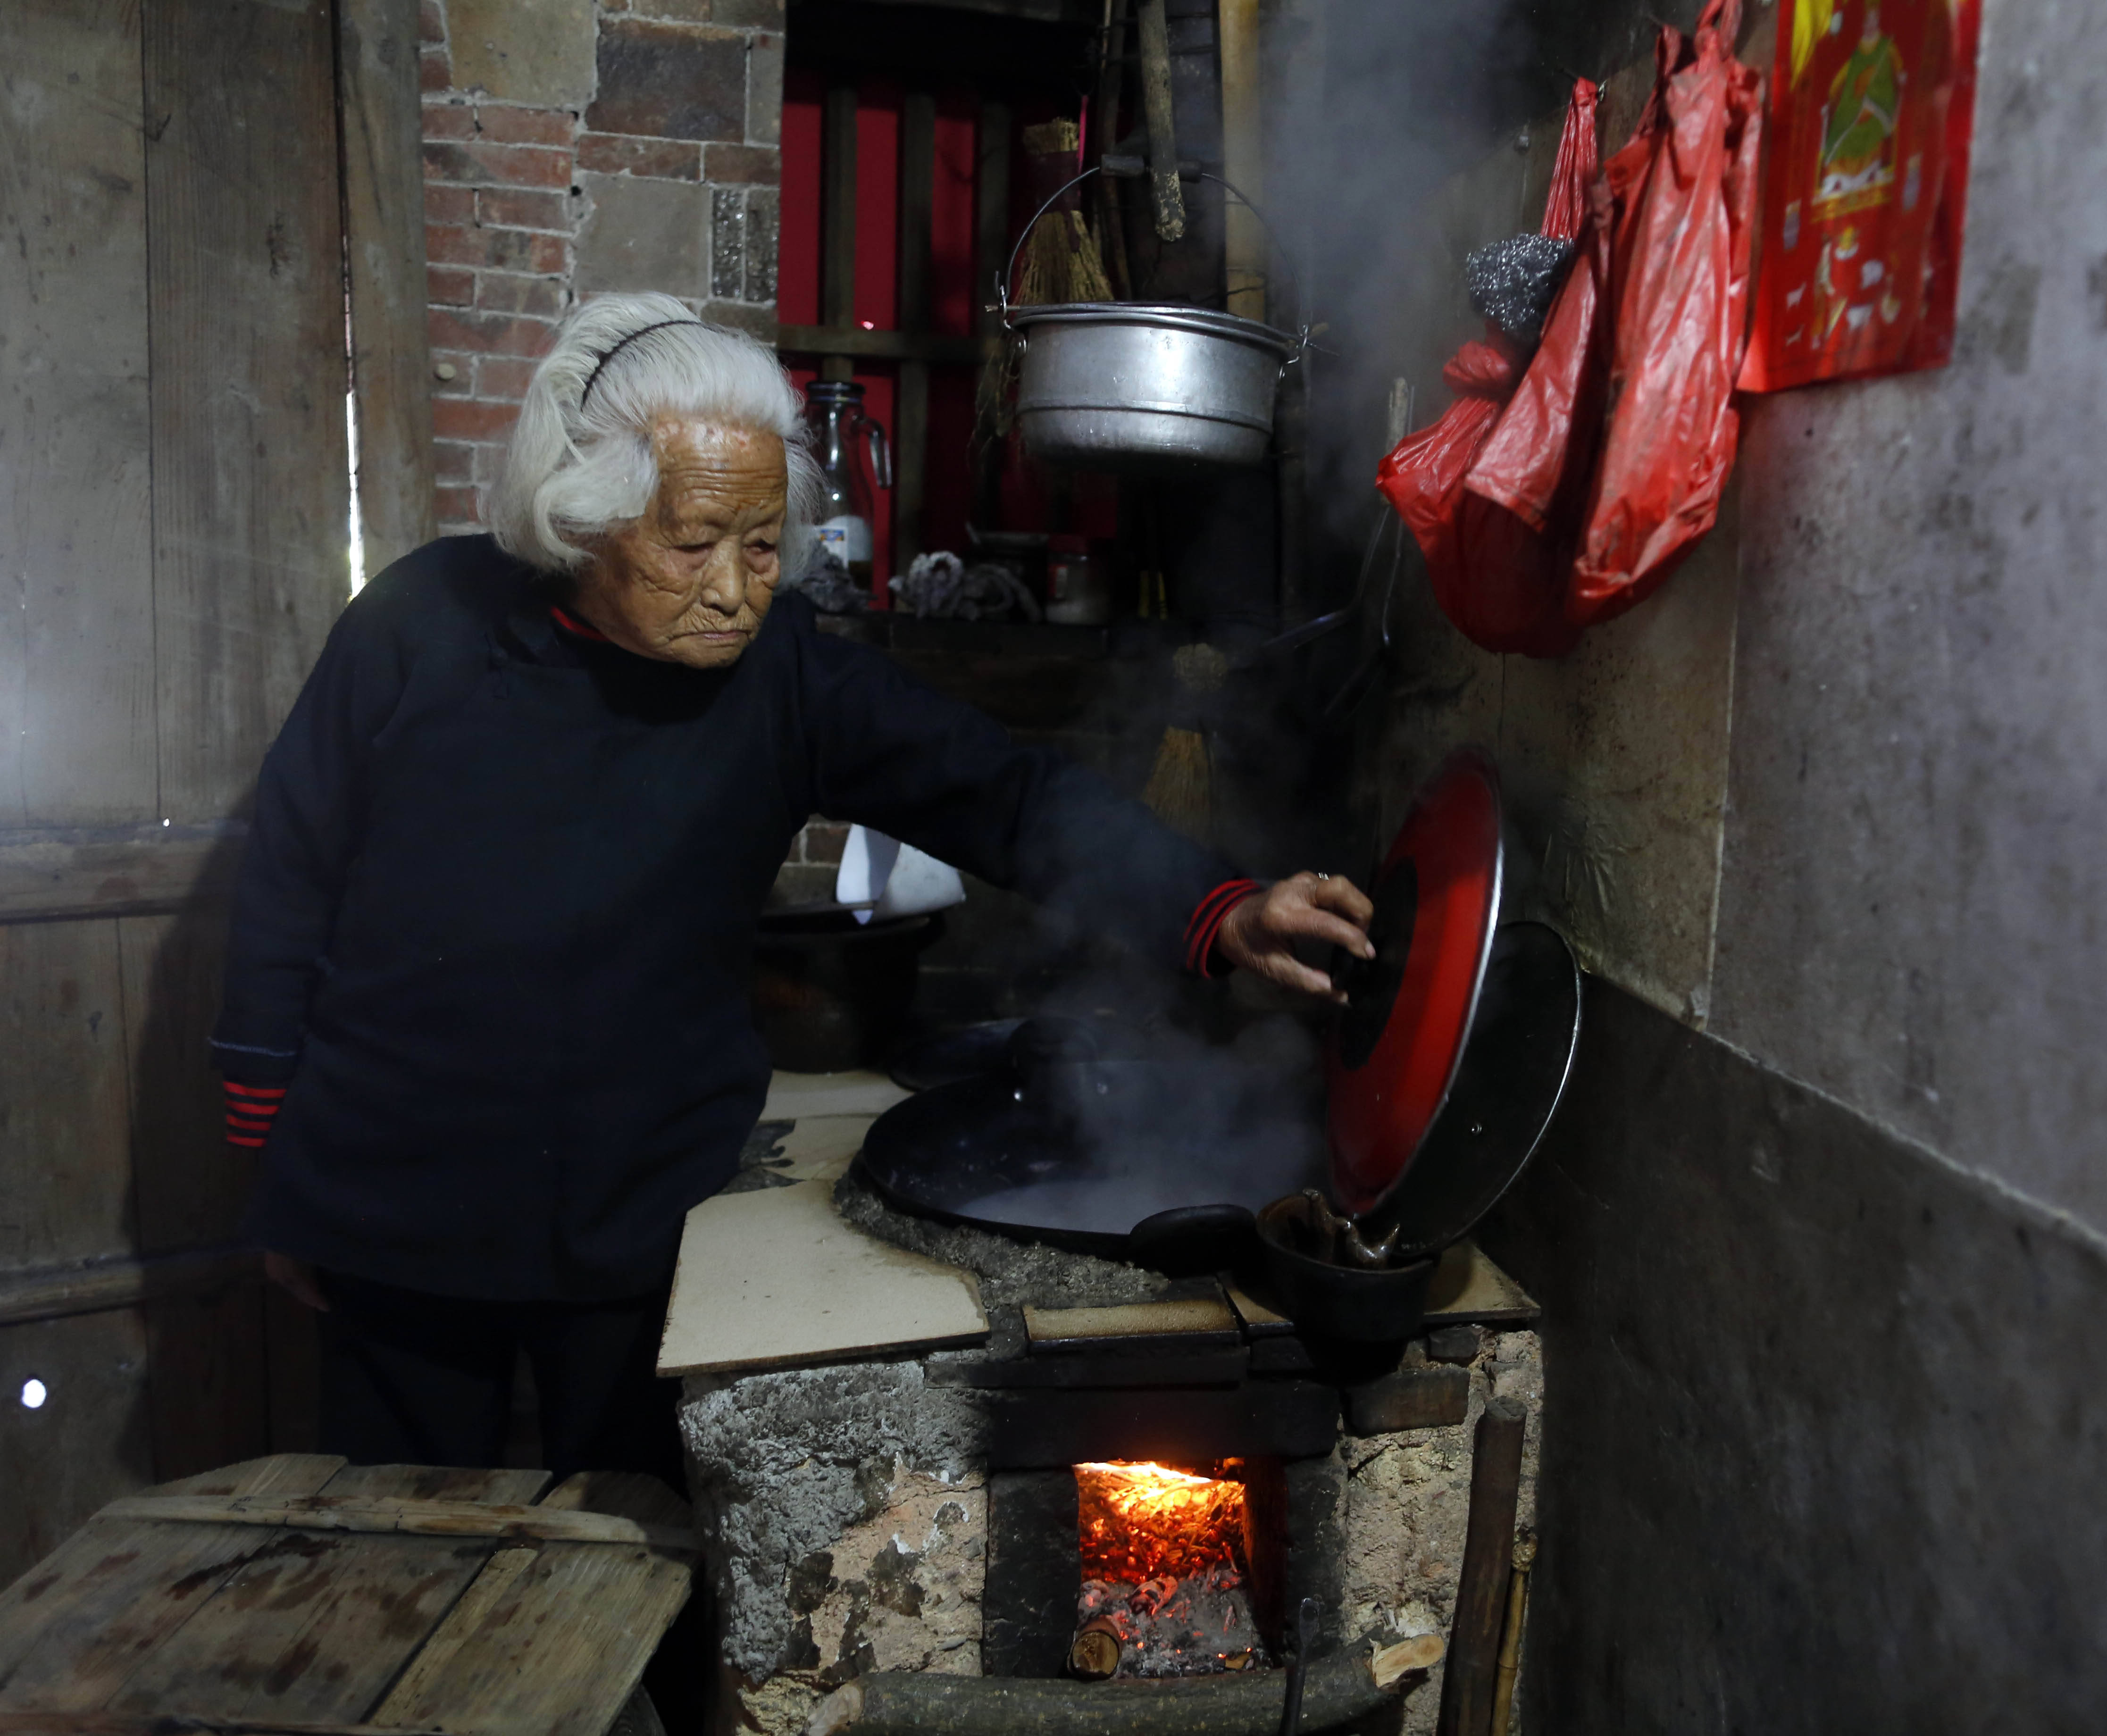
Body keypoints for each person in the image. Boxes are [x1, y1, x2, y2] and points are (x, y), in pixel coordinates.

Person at [210, 292, 1373, 1485]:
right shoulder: (419, 623)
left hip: (639, 1209)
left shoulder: (784, 677)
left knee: (641, 1553)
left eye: (762, 543)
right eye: (694, 539)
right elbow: (288, 882)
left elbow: (1007, 794)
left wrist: (1217, 906)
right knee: (399, 1538)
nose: (733, 588)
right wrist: (279, 1174)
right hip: (395, 1191)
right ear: (584, 519)